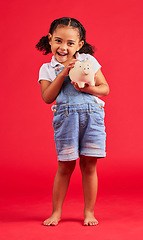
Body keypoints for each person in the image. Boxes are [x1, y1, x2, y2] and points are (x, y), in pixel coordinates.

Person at [36, 17, 109, 226]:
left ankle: (89, 212)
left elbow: (105, 88)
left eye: (70, 43)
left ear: (79, 44)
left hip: (92, 118)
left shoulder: (89, 61)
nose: (63, 47)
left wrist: (89, 89)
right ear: (50, 40)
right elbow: (47, 97)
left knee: (89, 165)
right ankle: (56, 212)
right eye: (58, 41)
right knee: (65, 166)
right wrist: (64, 71)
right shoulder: (47, 69)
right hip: (66, 120)